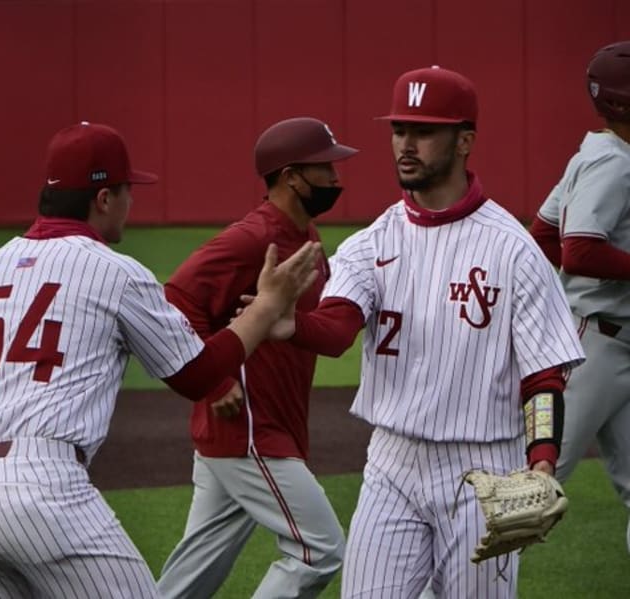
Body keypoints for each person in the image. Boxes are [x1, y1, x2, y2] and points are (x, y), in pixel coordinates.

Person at [0, 121, 321, 599]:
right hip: (43, 488)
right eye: (127, 189)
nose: (132, 202)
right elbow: (197, 376)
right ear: (103, 199)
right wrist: (264, 307)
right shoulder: (113, 271)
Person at [247, 67, 586, 598]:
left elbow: (544, 374)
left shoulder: (512, 248)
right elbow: (338, 328)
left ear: (465, 141)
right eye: (399, 129)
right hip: (391, 463)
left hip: (484, 469)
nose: (406, 144)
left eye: (424, 131)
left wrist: (542, 462)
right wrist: (296, 327)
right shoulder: (372, 241)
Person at [156, 117, 358, 598]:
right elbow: (173, 303)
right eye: (326, 167)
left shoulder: (305, 238)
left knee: (193, 571)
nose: (336, 178)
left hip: (261, 426)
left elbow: (322, 333)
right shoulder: (252, 238)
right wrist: (214, 381)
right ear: (291, 176)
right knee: (319, 549)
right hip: (250, 427)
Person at [530, 40, 630, 553]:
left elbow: (544, 234)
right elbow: (578, 253)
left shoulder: (596, 152)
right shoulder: (612, 163)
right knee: (530, 493)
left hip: (608, 335)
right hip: (595, 347)